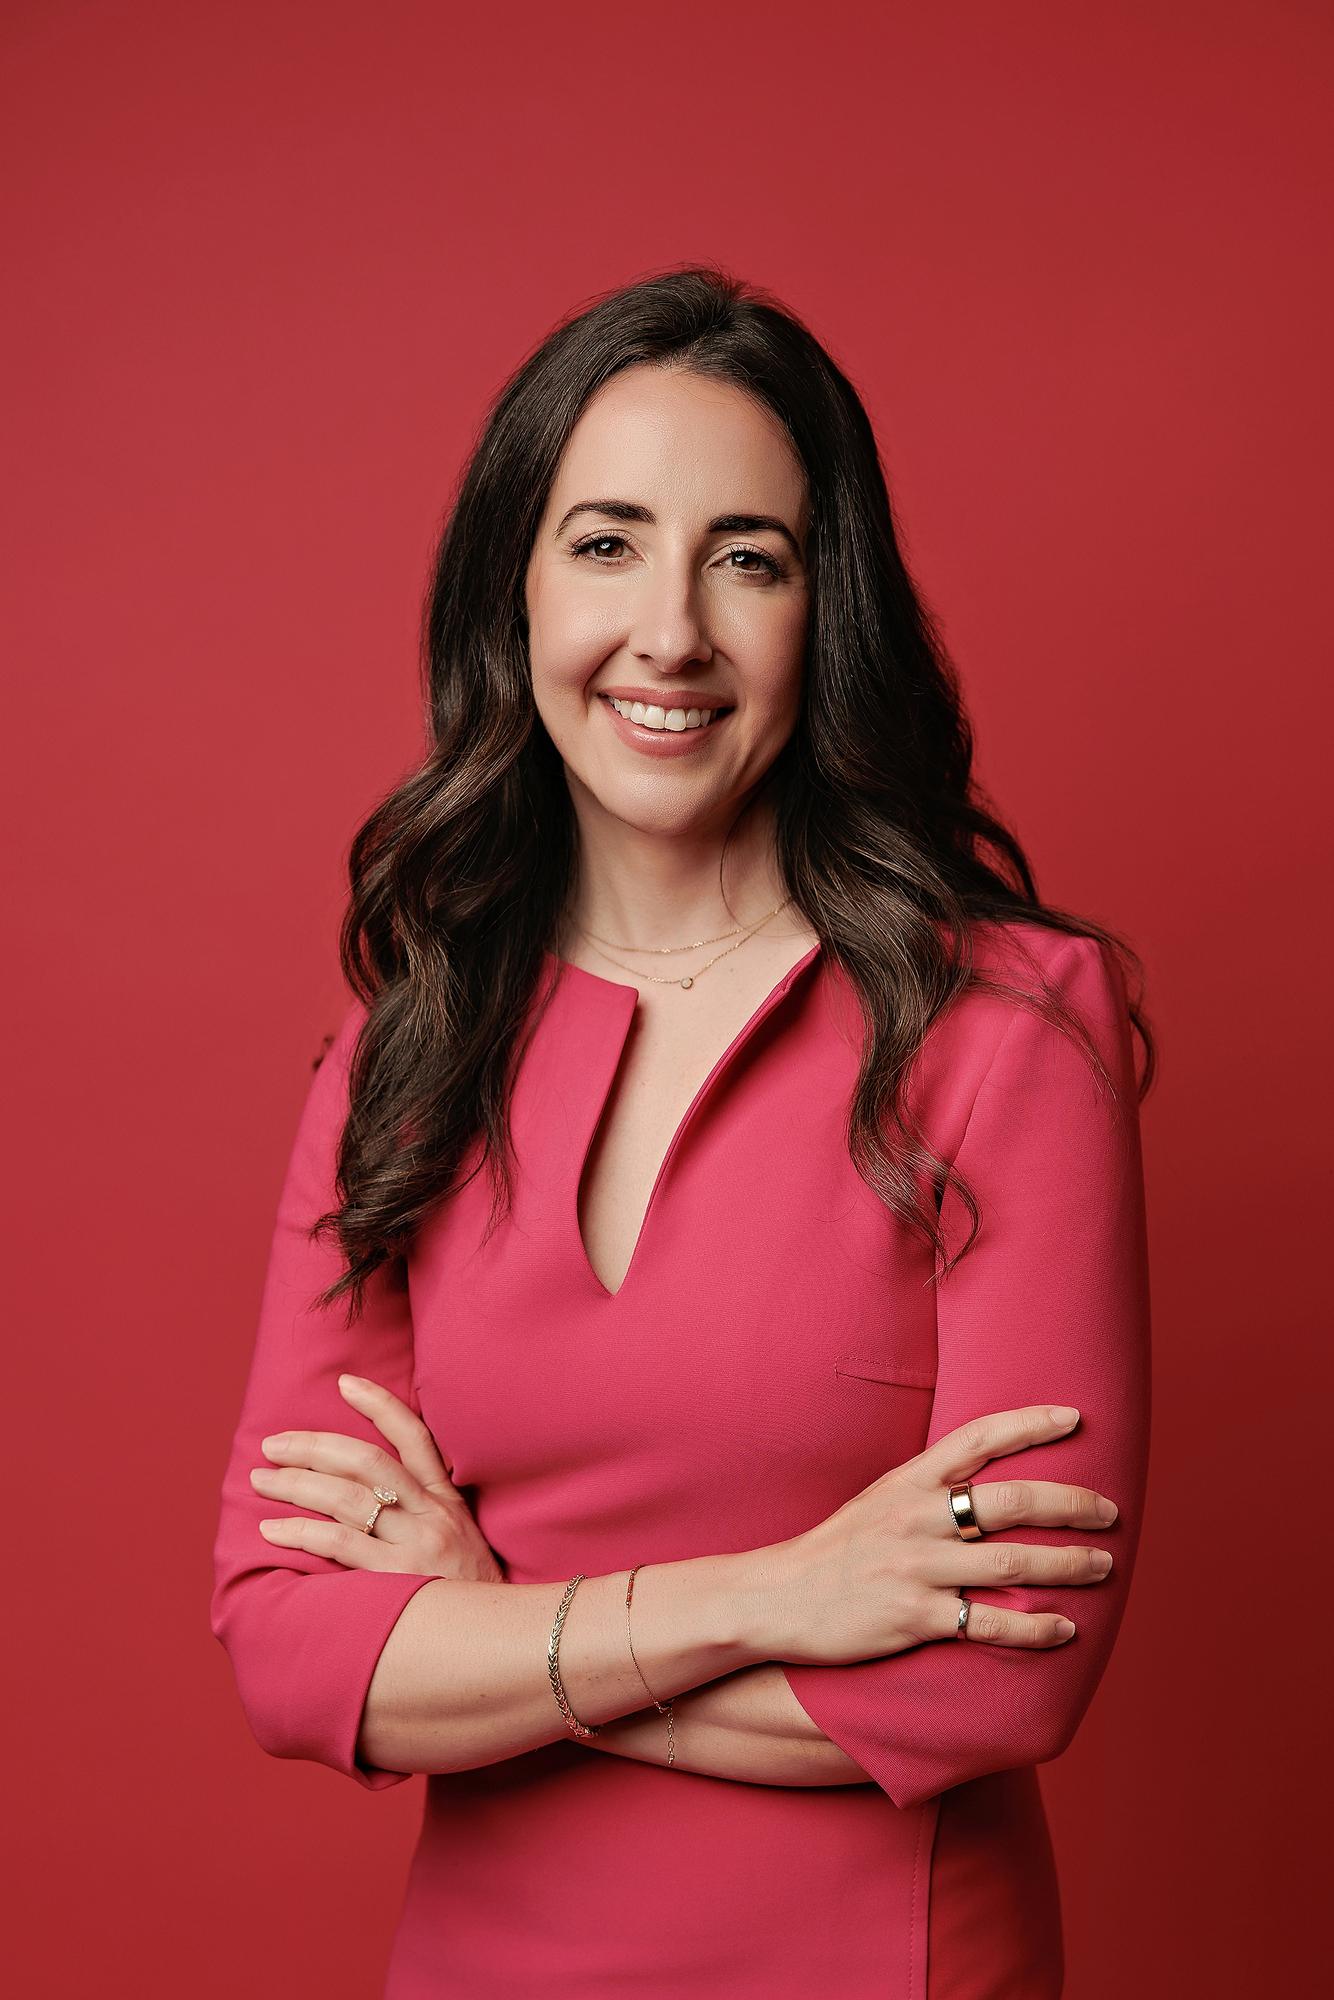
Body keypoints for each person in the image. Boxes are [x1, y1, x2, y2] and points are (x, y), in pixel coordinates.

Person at [209, 265, 1154, 1998]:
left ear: (827, 610)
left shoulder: (1008, 1026)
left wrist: (491, 1625)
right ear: (513, 589)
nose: (670, 633)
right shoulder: (398, 1058)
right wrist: (772, 1594)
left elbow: (998, 1677)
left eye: (747, 559)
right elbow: (287, 1650)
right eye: (605, 543)